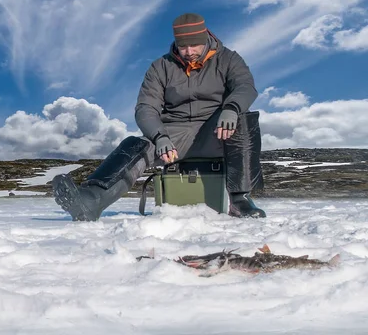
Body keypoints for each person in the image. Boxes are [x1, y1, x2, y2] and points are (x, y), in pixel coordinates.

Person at [52, 12, 266, 221]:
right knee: (136, 145)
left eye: (194, 45)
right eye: (183, 46)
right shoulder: (161, 67)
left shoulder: (229, 59)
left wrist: (232, 108)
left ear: (206, 38)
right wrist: (159, 136)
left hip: (216, 131)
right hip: (174, 134)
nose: (189, 51)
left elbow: (245, 87)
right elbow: (146, 107)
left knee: (244, 122)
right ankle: (91, 200)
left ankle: (240, 200)